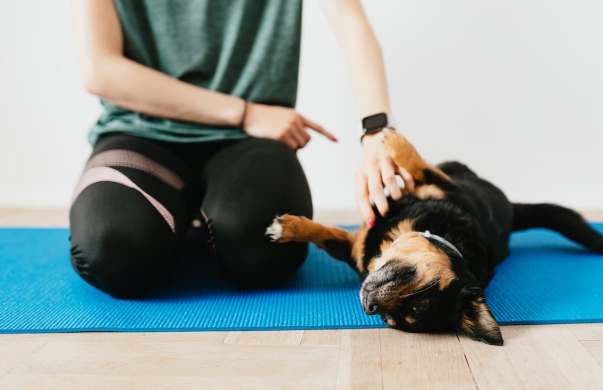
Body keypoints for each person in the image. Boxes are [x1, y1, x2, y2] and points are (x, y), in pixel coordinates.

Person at [70, 0, 414, 299]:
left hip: (248, 144)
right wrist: (244, 112)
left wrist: (378, 133)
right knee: (112, 251)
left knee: (266, 250)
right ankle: (181, 225)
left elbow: (350, 22)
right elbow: (101, 71)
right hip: (140, 134)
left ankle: (193, 226)